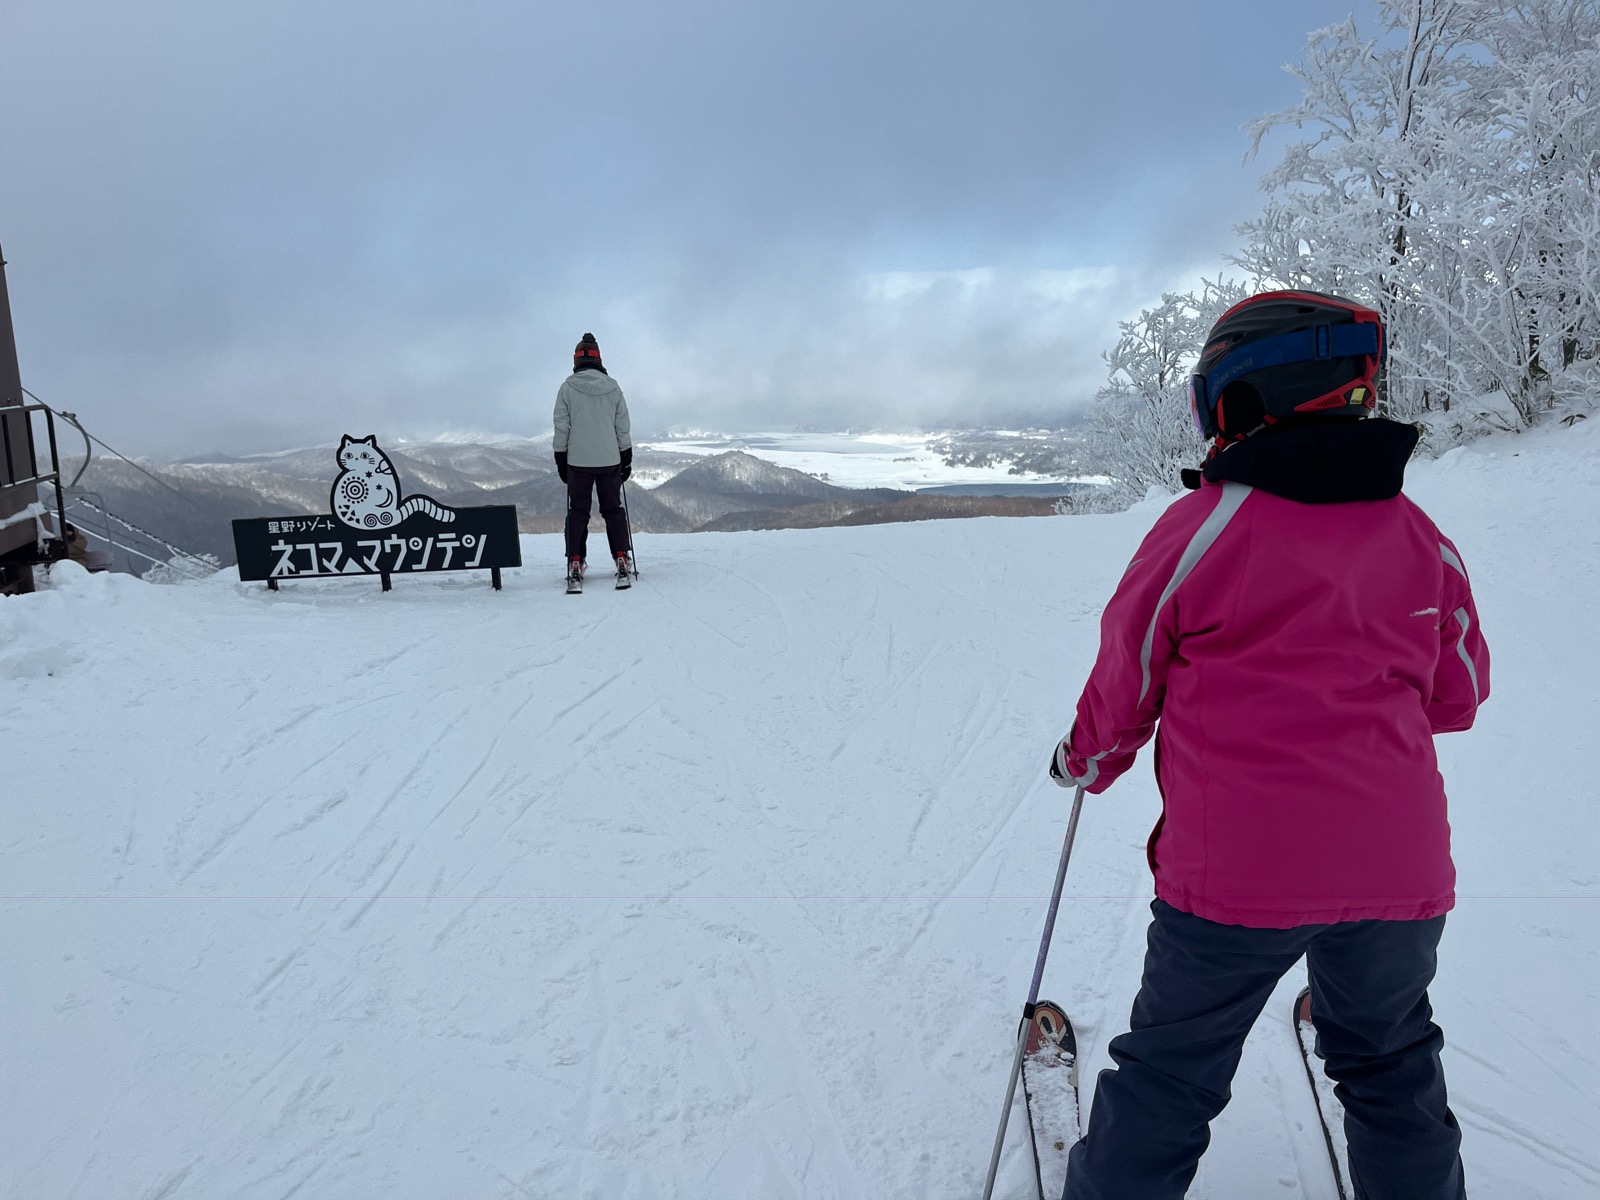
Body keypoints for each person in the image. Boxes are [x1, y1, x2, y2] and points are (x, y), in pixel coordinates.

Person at [1051, 291, 1489, 1200]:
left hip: (1236, 880)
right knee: (1390, 1061)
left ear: (1241, 395)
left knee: (1173, 1073)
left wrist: (1088, 759)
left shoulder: (1204, 527)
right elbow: (1459, 695)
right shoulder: (1421, 539)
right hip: (1397, 877)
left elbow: (1128, 674)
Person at [553, 332, 633, 589]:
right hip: (609, 458)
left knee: (577, 512)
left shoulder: (567, 388)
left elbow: (561, 427)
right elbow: (622, 426)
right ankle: (621, 556)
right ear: (599, 359)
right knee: (613, 510)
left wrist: (560, 458)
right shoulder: (613, 387)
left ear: (576, 360)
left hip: (578, 461)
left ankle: (575, 560)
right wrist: (626, 456)